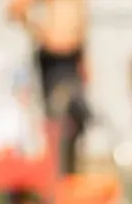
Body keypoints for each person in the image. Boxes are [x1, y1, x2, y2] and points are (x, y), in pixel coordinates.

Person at [8, 0, 89, 175]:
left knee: (77, 117)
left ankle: (68, 172)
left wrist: (85, 61)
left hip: (73, 57)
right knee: (58, 117)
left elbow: (82, 23)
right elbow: (15, 9)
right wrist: (39, 31)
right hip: (53, 57)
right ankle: (55, 175)